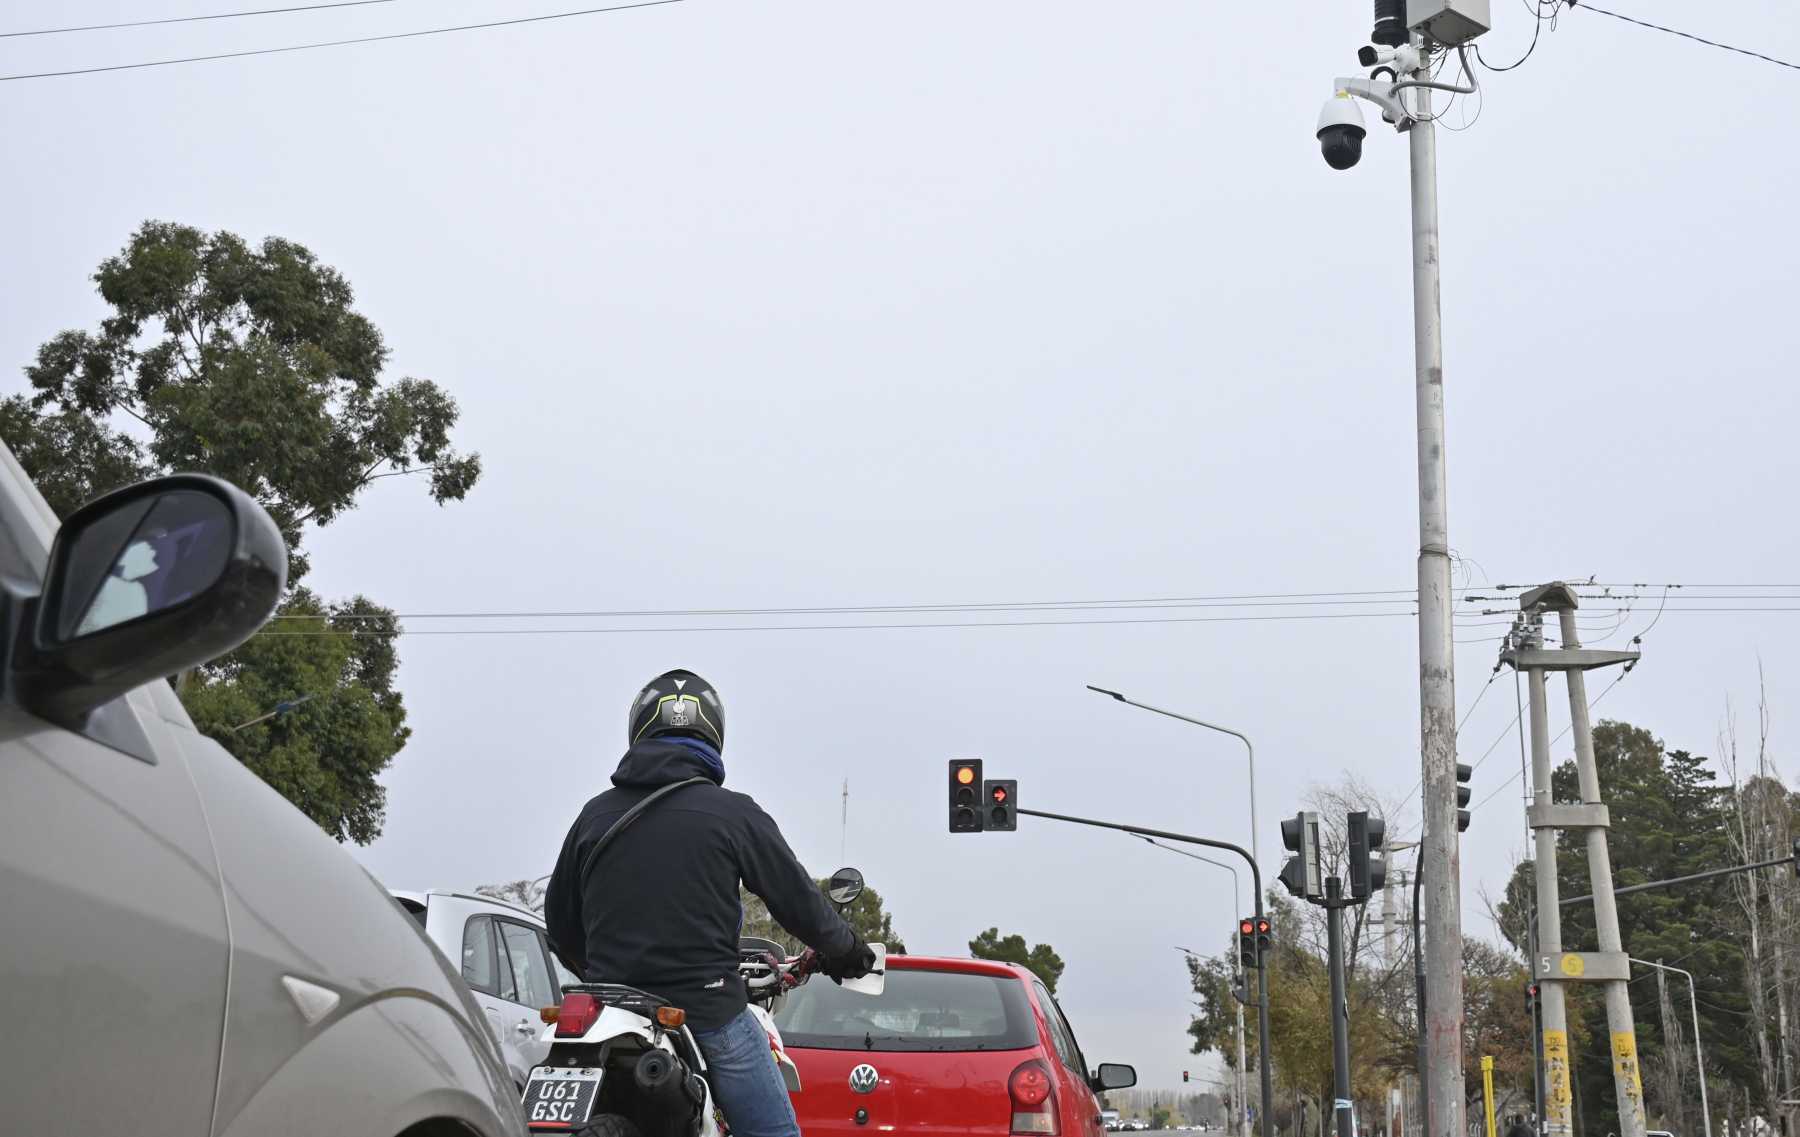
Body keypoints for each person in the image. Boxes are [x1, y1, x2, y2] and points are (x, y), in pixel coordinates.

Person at [545, 669, 875, 1137]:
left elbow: (559, 924)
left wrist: (606, 976)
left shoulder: (593, 815)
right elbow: (798, 902)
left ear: (639, 730)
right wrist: (848, 950)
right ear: (713, 735)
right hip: (705, 1008)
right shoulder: (733, 813)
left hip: (607, 1006)